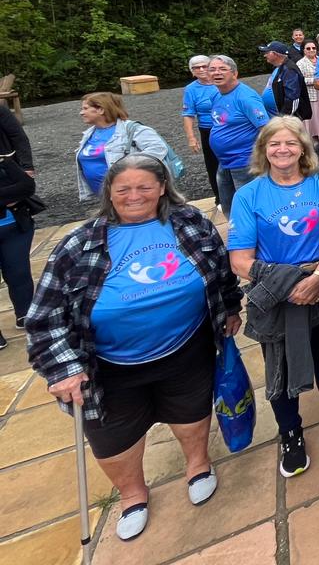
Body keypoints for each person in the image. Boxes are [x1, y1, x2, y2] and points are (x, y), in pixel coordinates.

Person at [26, 154, 241, 541]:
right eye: (123, 188)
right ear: (109, 191)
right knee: (114, 434)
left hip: (185, 344)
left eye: (144, 187)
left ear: (162, 188)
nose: (134, 195)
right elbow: (44, 317)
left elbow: (220, 269)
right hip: (106, 361)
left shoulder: (189, 222)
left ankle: (197, 464)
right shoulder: (80, 243)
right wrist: (61, 368)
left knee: (190, 409)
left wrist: (228, 307)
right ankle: (132, 495)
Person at [227, 117, 319, 476]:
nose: (283, 150)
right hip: (276, 292)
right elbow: (240, 260)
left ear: (304, 147)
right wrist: (290, 283)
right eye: (274, 144)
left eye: (291, 143)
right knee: (280, 362)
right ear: (263, 150)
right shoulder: (249, 195)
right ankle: (290, 432)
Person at [77, 92, 171, 202]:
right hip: (106, 197)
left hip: (131, 195)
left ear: (101, 110)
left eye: (85, 108)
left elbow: (158, 148)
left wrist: (131, 166)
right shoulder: (89, 134)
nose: (81, 113)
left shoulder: (133, 129)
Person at [207, 56, 272, 210]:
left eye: (222, 69)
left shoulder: (246, 97)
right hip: (224, 162)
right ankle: (235, 231)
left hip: (245, 162)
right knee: (228, 204)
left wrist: (262, 158)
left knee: (250, 205)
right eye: (213, 69)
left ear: (234, 73)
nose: (217, 73)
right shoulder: (216, 94)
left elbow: (266, 129)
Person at [0, 106, 35, 346]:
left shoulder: (4, 161)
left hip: (13, 223)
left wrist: (25, 165)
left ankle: (26, 313)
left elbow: (25, 188)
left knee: (18, 271)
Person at [181, 56, 221, 207]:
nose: (202, 70)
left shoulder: (221, 81)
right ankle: (219, 197)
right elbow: (188, 114)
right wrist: (191, 138)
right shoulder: (191, 89)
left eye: (204, 66)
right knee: (213, 164)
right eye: (197, 68)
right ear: (192, 72)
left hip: (228, 127)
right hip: (208, 129)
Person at [260, 41, 308, 118]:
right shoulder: (279, 67)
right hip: (275, 117)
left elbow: (293, 98)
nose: (265, 55)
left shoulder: (289, 70)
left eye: (267, 52)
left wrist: (283, 118)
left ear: (275, 54)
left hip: (286, 121)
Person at [296, 41, 319, 141]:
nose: (311, 50)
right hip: (311, 94)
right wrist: (314, 81)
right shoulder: (300, 63)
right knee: (315, 116)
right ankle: (315, 136)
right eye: (308, 48)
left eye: (313, 48)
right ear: (304, 50)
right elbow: (299, 80)